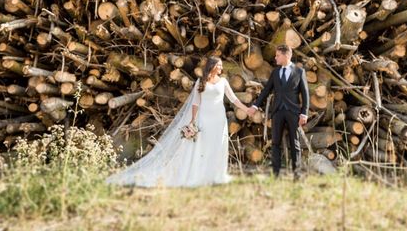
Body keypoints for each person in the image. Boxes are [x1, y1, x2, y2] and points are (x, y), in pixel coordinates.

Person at [106, 56, 251, 187]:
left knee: (217, 145)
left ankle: (215, 174)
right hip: (204, 118)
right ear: (212, 66)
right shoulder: (201, 82)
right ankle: (200, 174)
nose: (221, 68)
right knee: (202, 147)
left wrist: (247, 109)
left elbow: (233, 99)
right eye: (218, 65)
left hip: (219, 119)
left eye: (221, 65)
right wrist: (193, 121)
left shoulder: (224, 81)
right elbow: (195, 102)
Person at [248, 44, 309, 180]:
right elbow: (266, 90)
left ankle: (297, 173)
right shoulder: (275, 72)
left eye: (278, 55)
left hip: (293, 112)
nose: (275, 58)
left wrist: (304, 113)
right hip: (277, 112)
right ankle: (275, 174)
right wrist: (255, 106)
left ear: (286, 55)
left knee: (295, 142)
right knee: (275, 142)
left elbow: (305, 95)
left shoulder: (299, 72)